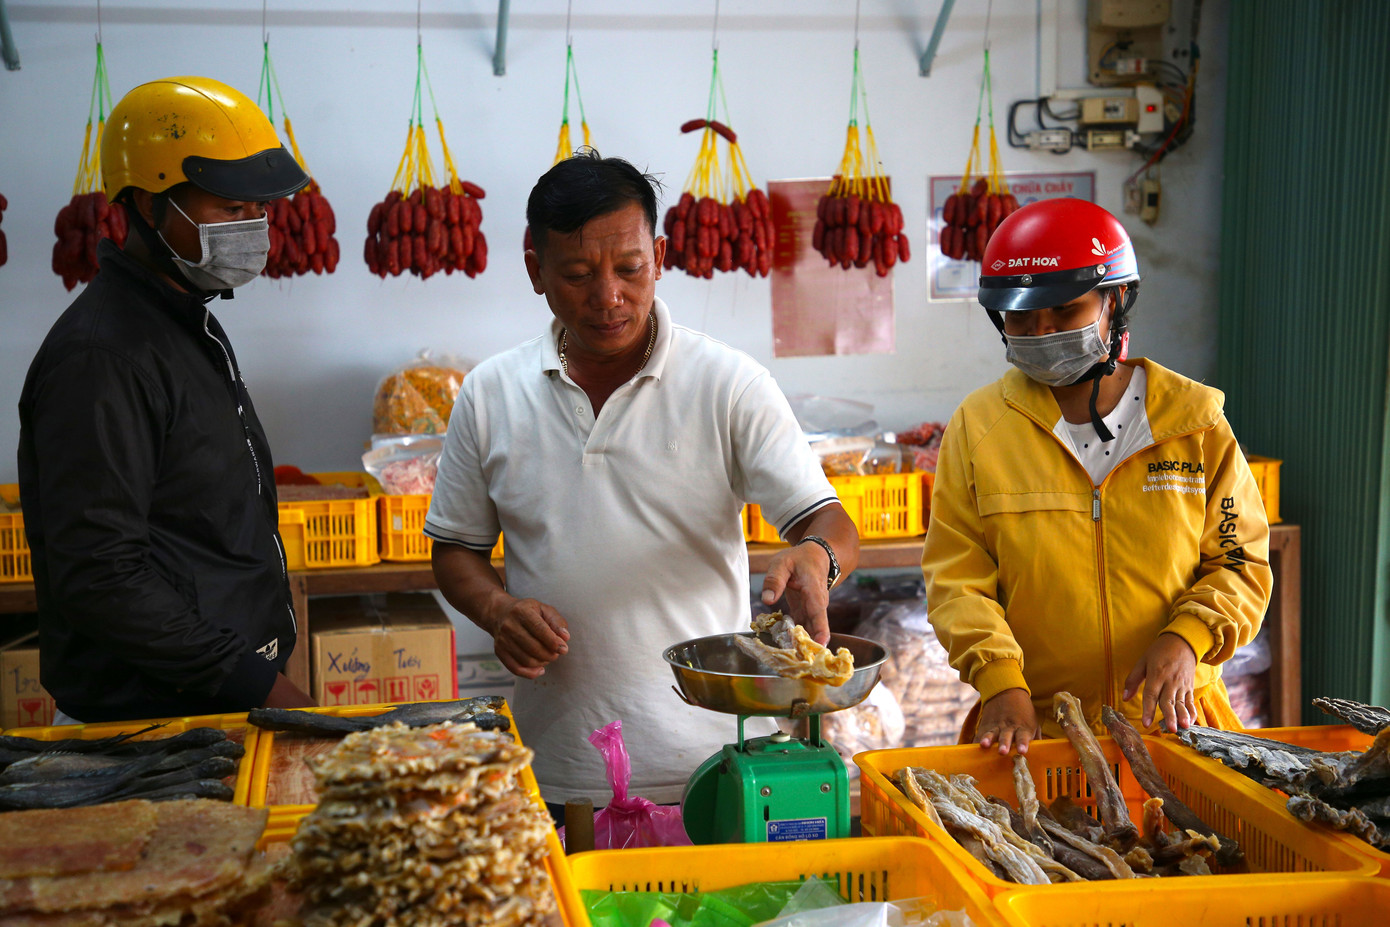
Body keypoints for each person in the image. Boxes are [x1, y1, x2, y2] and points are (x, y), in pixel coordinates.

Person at [425, 150, 859, 810]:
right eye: (575, 274)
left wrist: (817, 558)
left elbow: (827, 521)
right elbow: (456, 550)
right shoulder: (490, 394)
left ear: (658, 256)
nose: (608, 297)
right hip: (560, 772)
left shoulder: (728, 384)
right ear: (535, 270)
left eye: (630, 269)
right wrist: (497, 608)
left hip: (718, 768)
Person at [922, 197, 1272, 755]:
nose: (1041, 331)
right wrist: (1000, 682)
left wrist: (1189, 638)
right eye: (1021, 317)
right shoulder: (981, 427)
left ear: (1116, 301)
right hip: (1036, 729)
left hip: (1179, 726)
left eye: (1065, 312)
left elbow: (1240, 562)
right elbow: (957, 577)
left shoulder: (1194, 423)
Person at [17, 76, 316, 724]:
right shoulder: (102, 359)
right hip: (153, 723)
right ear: (147, 206)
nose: (252, 227)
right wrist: (257, 685)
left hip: (217, 699)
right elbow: (101, 576)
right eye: (229, 208)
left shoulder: (184, 322)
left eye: (256, 210)